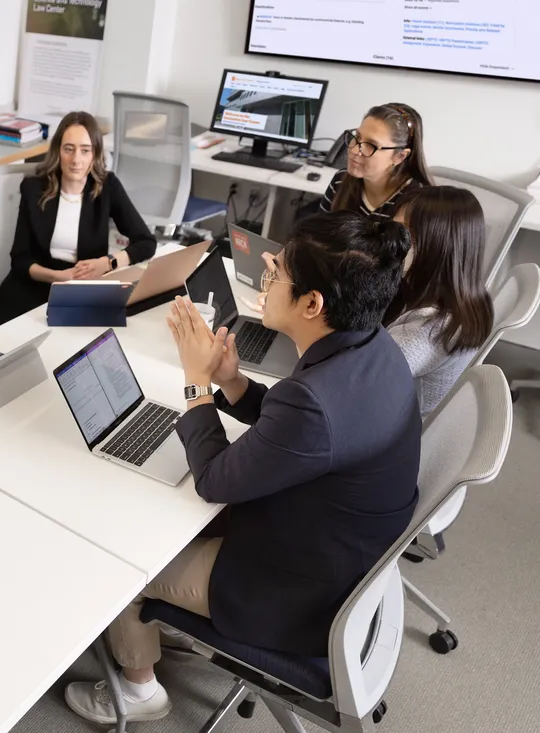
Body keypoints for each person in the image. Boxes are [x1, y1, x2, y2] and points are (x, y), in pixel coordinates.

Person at [65, 212, 420, 725]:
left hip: (293, 594)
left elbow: (213, 480)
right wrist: (231, 382)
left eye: (276, 272)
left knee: (124, 561)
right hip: (340, 557)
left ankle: (139, 689)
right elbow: (302, 432)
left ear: (313, 304)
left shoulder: (315, 402)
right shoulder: (373, 346)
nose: (267, 277)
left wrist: (195, 382)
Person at [0, 111, 157, 326]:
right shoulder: (33, 189)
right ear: (58, 151)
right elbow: (20, 259)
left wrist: (108, 263)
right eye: (69, 149)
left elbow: (146, 242)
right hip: (36, 284)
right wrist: (57, 277)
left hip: (84, 285)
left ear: (94, 154)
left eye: (85, 150)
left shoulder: (108, 187)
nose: (76, 159)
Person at [384, 186, 493, 419]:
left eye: (405, 235)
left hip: (391, 427)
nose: (391, 243)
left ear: (440, 245)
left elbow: (354, 388)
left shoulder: (425, 331)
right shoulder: (467, 294)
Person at [319, 103, 431, 219]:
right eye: (357, 137)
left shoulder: (418, 206)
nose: (354, 149)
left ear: (399, 156)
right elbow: (317, 233)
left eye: (371, 145)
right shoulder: (340, 180)